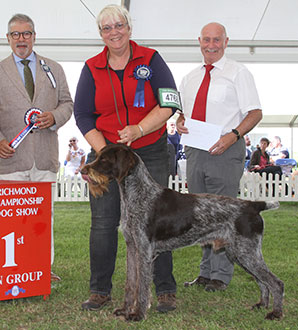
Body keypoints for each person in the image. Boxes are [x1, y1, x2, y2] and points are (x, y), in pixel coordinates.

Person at [74, 4, 180, 313]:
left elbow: (169, 102)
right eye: (107, 28)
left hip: (150, 148)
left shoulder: (151, 59)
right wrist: (105, 152)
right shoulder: (91, 66)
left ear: (129, 28)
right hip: (107, 153)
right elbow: (82, 115)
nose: (114, 32)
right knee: (104, 221)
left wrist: (139, 128)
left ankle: (165, 290)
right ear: (101, 34)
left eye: (119, 25)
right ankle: (100, 290)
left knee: (157, 221)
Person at [177, 22, 262, 292]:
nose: (211, 45)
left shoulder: (239, 73)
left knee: (224, 215)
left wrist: (233, 135)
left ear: (226, 42)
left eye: (217, 40)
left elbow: (255, 112)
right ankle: (205, 273)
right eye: (206, 40)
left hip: (225, 151)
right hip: (195, 151)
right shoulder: (190, 77)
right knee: (200, 216)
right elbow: (183, 113)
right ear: (199, 41)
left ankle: (220, 276)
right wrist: (179, 121)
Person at [0, 14, 73, 281]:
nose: (22, 39)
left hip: (44, 158)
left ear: (34, 36)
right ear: (8, 38)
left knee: (44, 218)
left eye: (27, 33)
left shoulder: (53, 68)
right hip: (10, 160)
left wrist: (54, 117)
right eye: (16, 34)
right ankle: (13, 269)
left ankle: (42, 268)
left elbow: (67, 103)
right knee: (10, 220)